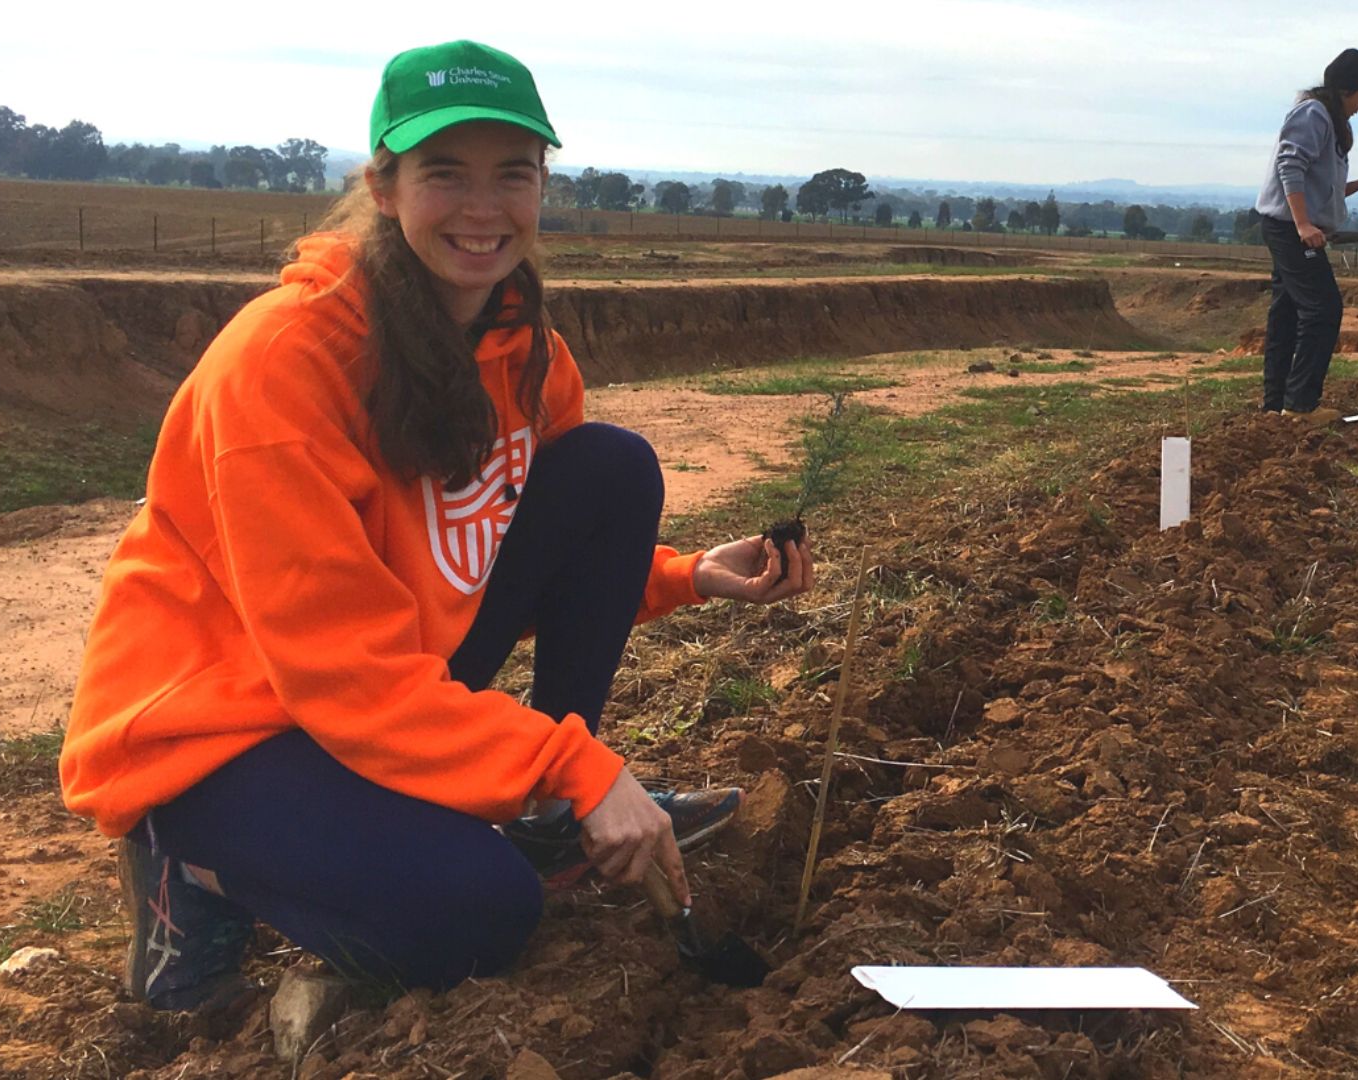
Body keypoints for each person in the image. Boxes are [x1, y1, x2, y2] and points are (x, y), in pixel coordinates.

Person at [58, 39, 815, 1013]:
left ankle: (542, 820)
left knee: (610, 468)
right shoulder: (283, 368)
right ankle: (189, 874)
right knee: (481, 916)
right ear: (384, 185)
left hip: (375, 687)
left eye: (513, 174)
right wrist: (573, 764)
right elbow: (342, 669)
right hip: (224, 733)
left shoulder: (525, 352)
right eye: (444, 173)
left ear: (543, 185)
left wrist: (689, 577)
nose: (482, 207)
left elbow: (507, 552)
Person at [1253, 47, 1358, 425]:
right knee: (1323, 308)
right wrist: (1302, 225)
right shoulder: (1313, 113)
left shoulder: (1328, 120)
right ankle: (1300, 406)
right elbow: (1290, 165)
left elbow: (1324, 191)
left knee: (1286, 313)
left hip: (1292, 227)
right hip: (1289, 228)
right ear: (1345, 90)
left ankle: (1276, 406)